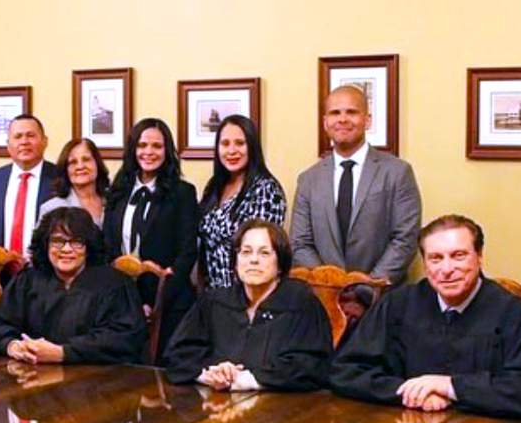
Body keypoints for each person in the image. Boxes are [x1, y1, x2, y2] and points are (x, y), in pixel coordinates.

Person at [330, 215, 521, 419]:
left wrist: (451, 387)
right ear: (425, 265)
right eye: (436, 258)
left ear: (479, 257)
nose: (446, 269)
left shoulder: (515, 315)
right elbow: (347, 371)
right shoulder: (397, 306)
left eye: (458, 256)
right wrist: (412, 392)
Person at [164, 219, 332, 391]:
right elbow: (179, 354)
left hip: (281, 410)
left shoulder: (300, 304)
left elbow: (311, 366)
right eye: (246, 252)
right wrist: (210, 373)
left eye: (264, 253)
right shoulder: (214, 302)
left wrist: (248, 379)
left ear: (280, 263)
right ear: (235, 262)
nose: (253, 260)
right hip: (217, 406)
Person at [0, 207, 146, 364]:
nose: (66, 249)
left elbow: (123, 340)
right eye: (57, 241)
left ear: (88, 247)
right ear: (45, 245)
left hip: (95, 385)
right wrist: (13, 346)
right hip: (33, 379)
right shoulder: (29, 281)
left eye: (76, 242)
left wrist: (63, 353)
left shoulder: (114, 285)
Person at [290, 84, 421, 285]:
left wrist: (365, 290)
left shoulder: (397, 172)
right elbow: (300, 244)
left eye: (351, 112)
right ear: (325, 122)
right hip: (323, 300)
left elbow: (405, 240)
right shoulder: (308, 180)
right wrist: (330, 289)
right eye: (335, 113)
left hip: (382, 299)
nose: (342, 119)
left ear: (367, 120)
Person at [102, 118, 199, 361]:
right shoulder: (118, 191)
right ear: (133, 149)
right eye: (142, 145)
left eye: (157, 146)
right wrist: (132, 302)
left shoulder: (183, 193)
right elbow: (109, 248)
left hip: (170, 303)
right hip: (122, 303)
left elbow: (187, 252)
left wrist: (156, 302)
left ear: (167, 151)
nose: (149, 152)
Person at [197, 115, 287, 290]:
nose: (231, 151)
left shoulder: (266, 190)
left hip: (249, 296)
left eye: (240, 143)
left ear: (252, 147)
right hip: (213, 297)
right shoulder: (215, 186)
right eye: (225, 144)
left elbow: (261, 255)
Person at [0, 114, 61, 253]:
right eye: (18, 137)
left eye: (31, 135)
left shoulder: (61, 179)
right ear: (8, 145)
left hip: (45, 272)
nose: (24, 142)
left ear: (45, 141)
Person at [37, 138, 109, 227]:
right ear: (65, 169)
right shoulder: (51, 208)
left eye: (86, 159)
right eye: (73, 162)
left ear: (97, 163)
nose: (80, 166)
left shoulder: (113, 202)